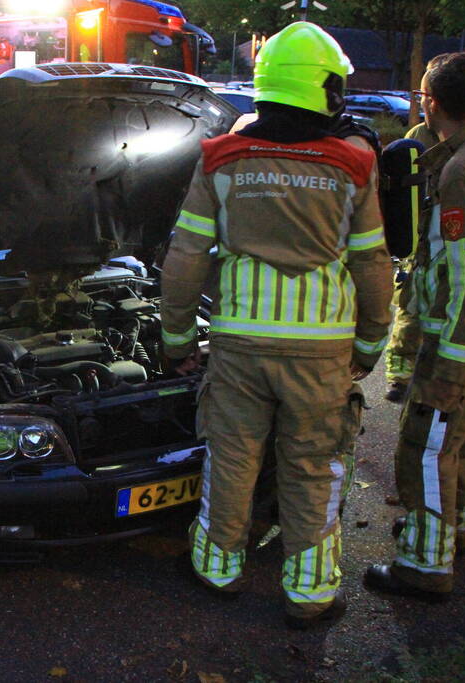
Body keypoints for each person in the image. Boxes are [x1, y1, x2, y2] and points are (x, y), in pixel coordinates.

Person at [160, 21, 392, 629]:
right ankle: (311, 592)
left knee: (233, 456)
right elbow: (371, 260)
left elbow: (185, 256)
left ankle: (217, 570)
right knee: (314, 464)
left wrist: (177, 338)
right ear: (326, 89)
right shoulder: (355, 162)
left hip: (239, 345)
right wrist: (371, 341)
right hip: (323, 351)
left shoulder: (220, 158)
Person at [365, 53, 465, 601]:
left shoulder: (462, 171)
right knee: (459, 439)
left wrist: (451, 361)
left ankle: (424, 565)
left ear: (431, 102)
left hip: (459, 338)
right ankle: (453, 531)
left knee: (424, 447)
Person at [383, 68, 465, 404]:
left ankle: (445, 375)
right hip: (425, 233)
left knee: (453, 303)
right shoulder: (420, 135)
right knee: (410, 308)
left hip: (461, 231)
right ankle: (399, 374)